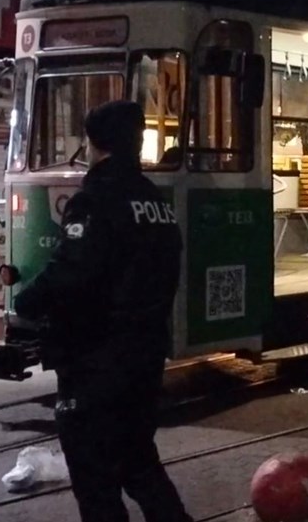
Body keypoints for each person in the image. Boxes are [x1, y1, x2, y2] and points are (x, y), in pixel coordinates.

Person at [13, 101, 191, 522]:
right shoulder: (156, 202)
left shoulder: (95, 200)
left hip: (96, 361)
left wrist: (27, 302)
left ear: (91, 144)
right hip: (145, 353)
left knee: (95, 482)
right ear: (137, 142)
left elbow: (73, 272)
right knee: (139, 462)